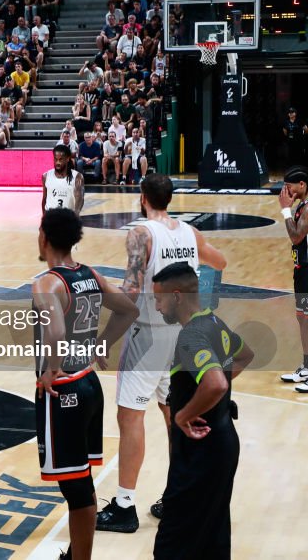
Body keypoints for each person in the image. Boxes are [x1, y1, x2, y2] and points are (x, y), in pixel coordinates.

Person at [96, 173, 227, 532]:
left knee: (131, 417)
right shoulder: (189, 232)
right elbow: (221, 262)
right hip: (183, 338)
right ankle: (178, 497)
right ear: (170, 198)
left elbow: (132, 294)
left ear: (142, 197)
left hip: (149, 338)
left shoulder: (141, 233)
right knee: (174, 417)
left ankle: (124, 507)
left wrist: (105, 337)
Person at [33, 209, 139, 560]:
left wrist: (51, 369)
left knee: (76, 492)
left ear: (44, 238)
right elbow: (128, 310)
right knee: (83, 484)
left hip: (64, 392)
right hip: (90, 385)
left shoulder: (47, 282)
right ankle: (78, 554)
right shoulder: (90, 275)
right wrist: (102, 343)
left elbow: (57, 331)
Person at [151, 263, 253, 560]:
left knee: (172, 543)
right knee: (212, 537)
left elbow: (216, 383)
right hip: (223, 441)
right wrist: (204, 398)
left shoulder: (191, 337)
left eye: (159, 299)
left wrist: (182, 416)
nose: (157, 307)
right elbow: (245, 354)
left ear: (177, 296)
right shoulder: (215, 323)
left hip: (201, 451)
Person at [278, 166, 308, 392]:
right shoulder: (302, 206)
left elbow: (297, 236)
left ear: (302, 185)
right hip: (301, 269)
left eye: (289, 186)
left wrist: (285, 211)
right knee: (302, 319)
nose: (285, 191)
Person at [42, 144, 84, 214]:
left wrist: (76, 216)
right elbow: (44, 199)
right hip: (50, 217)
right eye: (56, 159)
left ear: (67, 159)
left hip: (68, 217)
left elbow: (80, 198)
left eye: (60, 159)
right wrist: (43, 219)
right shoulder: (46, 176)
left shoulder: (77, 177)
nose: (57, 162)